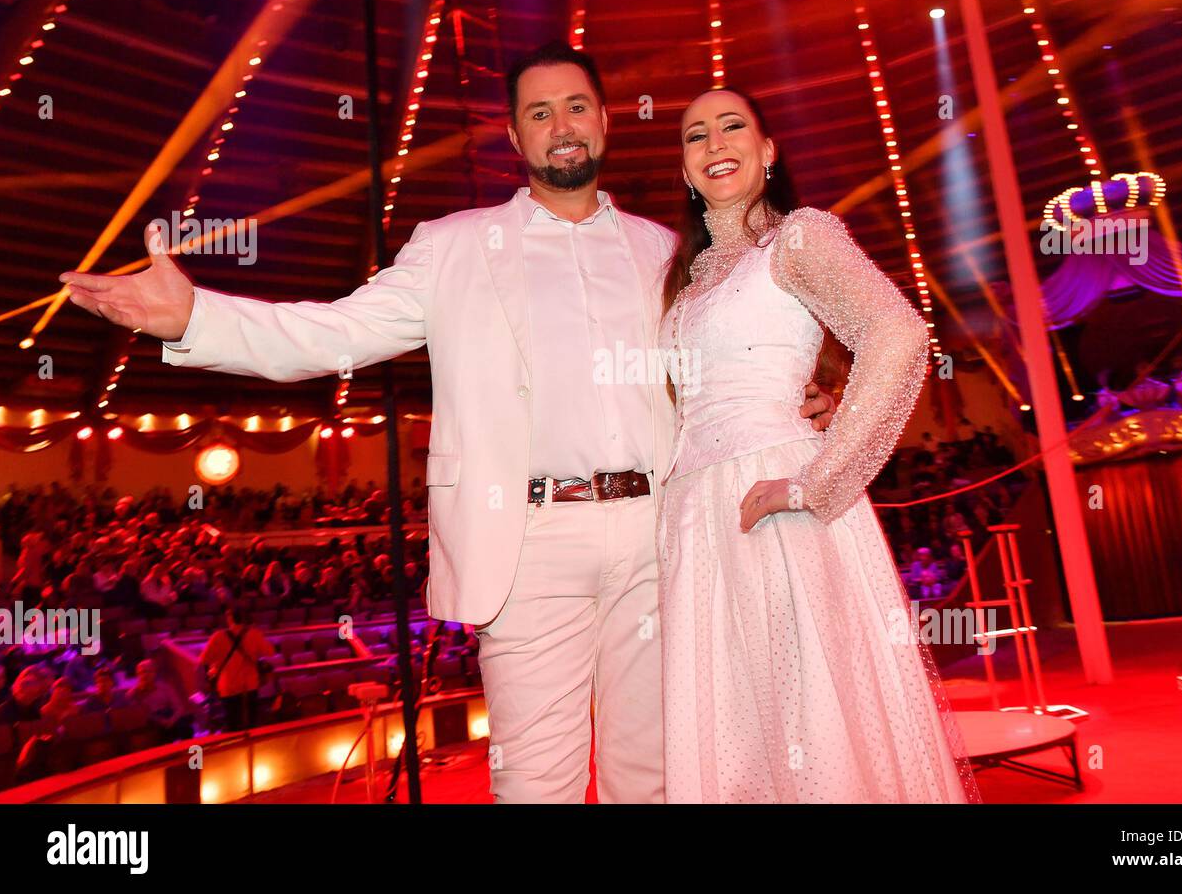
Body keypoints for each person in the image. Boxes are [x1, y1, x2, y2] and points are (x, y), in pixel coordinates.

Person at [57, 42, 833, 802]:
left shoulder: (666, 250)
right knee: (534, 785)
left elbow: (708, 376)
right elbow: (334, 333)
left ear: (602, 119)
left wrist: (784, 401)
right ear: (516, 136)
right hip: (526, 547)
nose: (560, 125)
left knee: (659, 778)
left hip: (660, 540)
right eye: (539, 113)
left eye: (574, 107)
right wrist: (192, 315)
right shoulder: (453, 247)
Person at [655, 87, 980, 803]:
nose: (714, 143)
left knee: (809, 714)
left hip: (776, 501)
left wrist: (817, 478)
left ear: (769, 151)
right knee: (736, 725)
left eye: (733, 126)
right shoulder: (687, 280)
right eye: (695, 134)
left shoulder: (798, 236)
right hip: (694, 519)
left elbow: (896, 334)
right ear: (683, 168)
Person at [198, 605, 275, 732]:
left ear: (229, 619)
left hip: (228, 686)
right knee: (251, 721)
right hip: (250, 685)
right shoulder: (254, 634)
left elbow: (203, 659)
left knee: (232, 722)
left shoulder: (218, 636)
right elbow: (270, 652)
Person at [129, 659, 195, 740]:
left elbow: (179, 707)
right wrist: (160, 721)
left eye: (148, 671)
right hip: (152, 722)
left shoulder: (165, 687)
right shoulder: (134, 694)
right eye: (141, 672)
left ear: (154, 673)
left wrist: (171, 720)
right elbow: (141, 715)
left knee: (186, 727)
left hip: (169, 716)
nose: (145, 675)